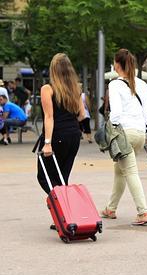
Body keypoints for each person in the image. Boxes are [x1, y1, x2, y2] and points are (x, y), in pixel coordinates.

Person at [101, 48, 147, 226]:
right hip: (139, 133)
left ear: (117, 64)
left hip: (124, 133)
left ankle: (143, 212)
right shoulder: (142, 84)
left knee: (130, 172)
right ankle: (111, 208)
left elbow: (115, 112)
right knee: (120, 171)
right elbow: (146, 111)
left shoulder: (115, 84)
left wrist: (112, 127)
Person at [36, 53, 85, 194]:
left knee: (44, 176)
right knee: (62, 177)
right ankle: (67, 209)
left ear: (53, 69)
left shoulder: (48, 89)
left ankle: (60, 207)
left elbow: (49, 116)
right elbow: (82, 115)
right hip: (74, 135)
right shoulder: (76, 88)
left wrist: (47, 143)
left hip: (57, 135)